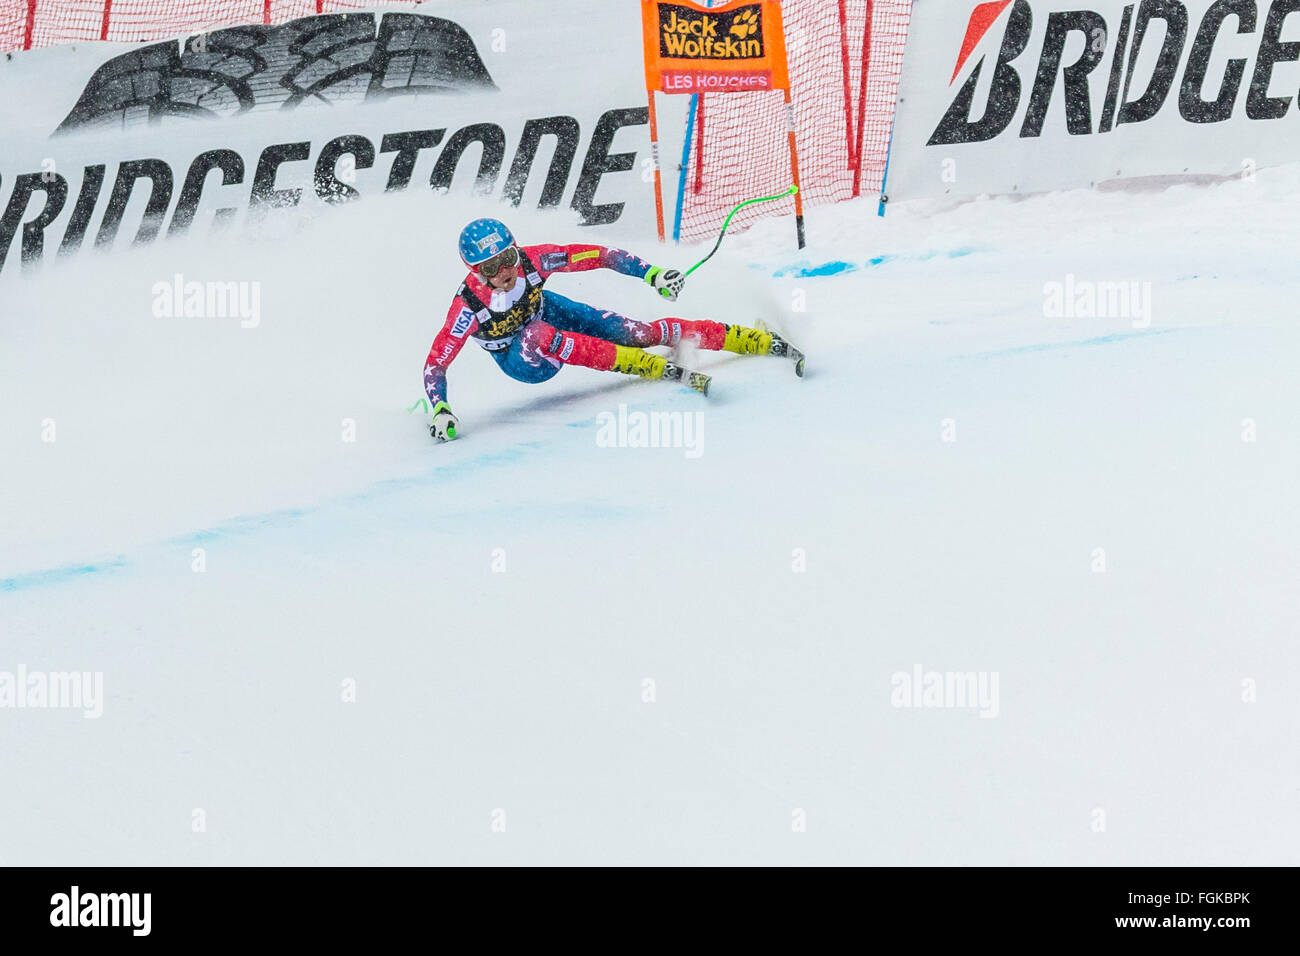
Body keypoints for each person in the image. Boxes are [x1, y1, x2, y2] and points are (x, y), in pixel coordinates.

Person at [422, 217, 793, 441]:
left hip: (547, 312)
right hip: (521, 359)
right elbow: (435, 364)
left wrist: (652, 273)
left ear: (517, 250)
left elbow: (600, 255)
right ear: (475, 272)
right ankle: (640, 365)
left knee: (639, 333)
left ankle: (748, 338)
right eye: (491, 267)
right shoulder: (467, 308)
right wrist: (440, 408)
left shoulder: (535, 259)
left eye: (508, 258)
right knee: (538, 336)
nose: (505, 271)